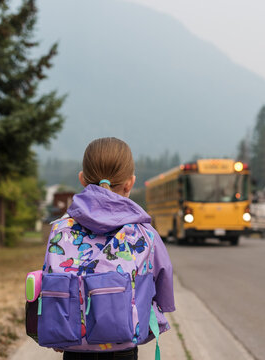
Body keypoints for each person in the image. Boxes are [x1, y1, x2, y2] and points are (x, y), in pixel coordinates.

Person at [43, 137, 175, 360]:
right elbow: (164, 282)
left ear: (83, 179)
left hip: (74, 345)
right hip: (123, 346)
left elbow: (50, 276)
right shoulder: (144, 233)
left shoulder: (62, 229)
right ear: (130, 182)